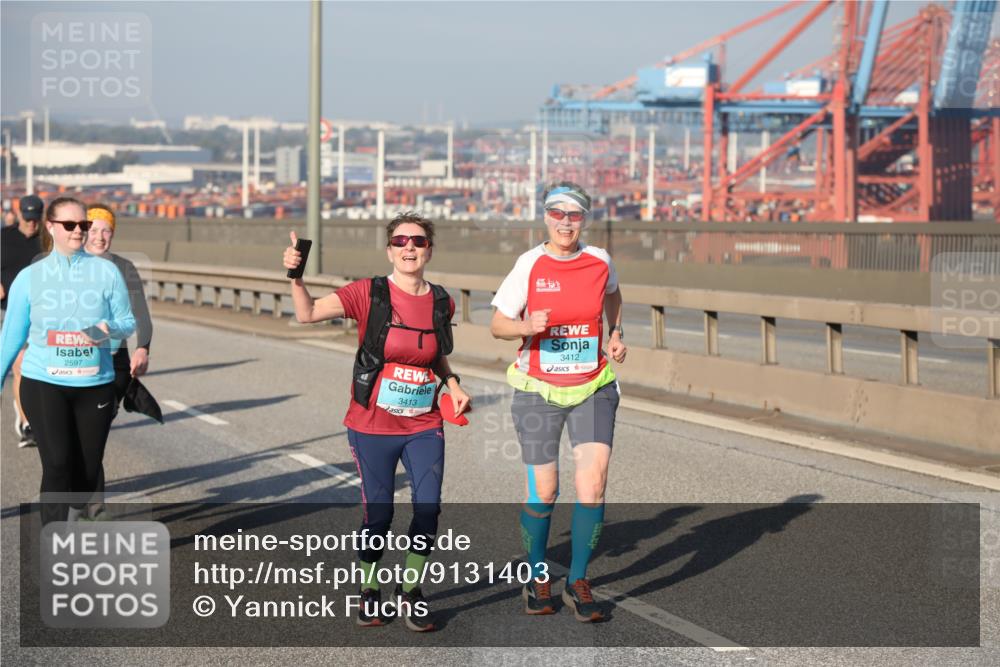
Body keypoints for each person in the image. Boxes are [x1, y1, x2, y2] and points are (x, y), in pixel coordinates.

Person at [282, 211, 470, 631]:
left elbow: (433, 351)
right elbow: (308, 313)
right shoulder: (368, 293)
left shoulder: (442, 300)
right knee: (379, 516)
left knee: (428, 509)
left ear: (429, 250)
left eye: (418, 241)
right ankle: (369, 589)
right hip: (371, 425)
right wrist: (296, 278)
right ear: (389, 249)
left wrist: (452, 382)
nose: (409, 247)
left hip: (423, 423)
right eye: (401, 241)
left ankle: (411, 590)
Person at [490, 182, 627, 622]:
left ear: (583, 219)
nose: (565, 222)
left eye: (574, 215)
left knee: (594, 482)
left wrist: (616, 334)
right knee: (546, 488)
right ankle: (536, 575)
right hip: (538, 389)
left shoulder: (600, 260)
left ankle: (579, 581)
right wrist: (527, 325)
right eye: (557, 213)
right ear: (545, 216)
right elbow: (497, 325)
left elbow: (614, 294)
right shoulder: (529, 264)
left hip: (592, 385)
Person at [0, 197, 135, 525]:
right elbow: (11, 338)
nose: (79, 231)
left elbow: (127, 321)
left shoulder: (107, 272)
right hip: (45, 383)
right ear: (50, 227)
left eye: (84, 225)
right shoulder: (30, 278)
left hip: (94, 385)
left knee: (87, 472)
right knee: (57, 464)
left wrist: (109, 329)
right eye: (70, 225)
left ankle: (81, 521)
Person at [82, 203, 154, 517]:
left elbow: (142, 316)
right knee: (70, 442)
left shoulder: (125, 268)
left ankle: (92, 510)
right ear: (83, 232)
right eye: (93, 230)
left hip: (114, 363)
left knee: (91, 438)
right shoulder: (67, 266)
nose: (100, 237)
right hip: (72, 362)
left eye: (106, 231)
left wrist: (143, 348)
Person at [1, 194, 44, 447]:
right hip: (6, 311)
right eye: (27, 219)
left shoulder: (47, 242)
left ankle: (30, 414)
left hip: (40, 313)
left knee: (35, 369)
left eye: (35, 220)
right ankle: (28, 423)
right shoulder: (3, 238)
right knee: (21, 365)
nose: (31, 224)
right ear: (19, 215)